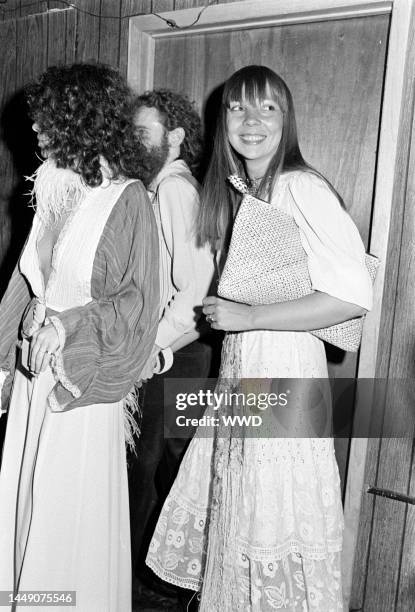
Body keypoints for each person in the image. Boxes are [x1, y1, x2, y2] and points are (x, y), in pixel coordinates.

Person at [145, 65, 373, 611]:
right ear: (222, 121)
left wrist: (246, 315)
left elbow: (350, 297)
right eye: (238, 108)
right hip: (250, 369)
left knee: (273, 518)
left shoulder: (301, 186)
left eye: (267, 108)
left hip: (285, 371)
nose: (251, 121)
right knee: (242, 513)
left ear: (286, 120)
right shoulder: (243, 191)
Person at [0, 63, 160, 612]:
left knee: (67, 508)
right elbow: (26, 285)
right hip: (31, 379)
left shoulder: (128, 200)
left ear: (81, 122)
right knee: (25, 501)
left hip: (80, 383)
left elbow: (137, 306)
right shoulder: (51, 188)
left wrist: (66, 327)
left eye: (48, 119)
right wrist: (2, 361)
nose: (37, 130)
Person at [128, 89, 215, 602]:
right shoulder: (161, 189)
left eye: (145, 132)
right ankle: (163, 583)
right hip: (172, 351)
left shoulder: (175, 191)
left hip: (177, 353)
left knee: (155, 472)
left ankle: (147, 587)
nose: (135, 142)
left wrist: (152, 347)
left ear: (176, 136)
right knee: (165, 472)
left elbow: (195, 290)